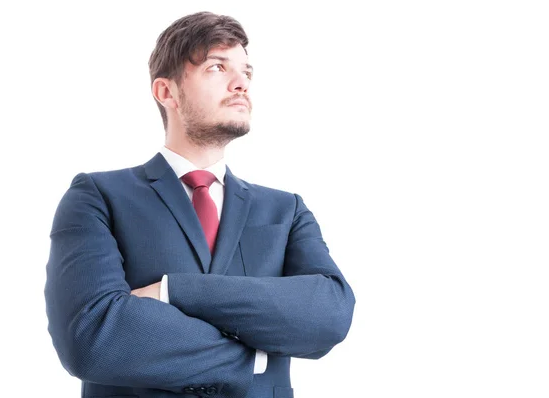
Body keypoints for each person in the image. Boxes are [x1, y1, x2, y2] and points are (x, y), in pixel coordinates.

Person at [44, 11, 356, 398]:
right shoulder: (98, 196)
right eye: (217, 67)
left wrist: (173, 291)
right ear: (166, 92)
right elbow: (92, 337)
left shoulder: (285, 210)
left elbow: (330, 314)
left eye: (246, 71)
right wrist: (254, 357)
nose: (241, 83)